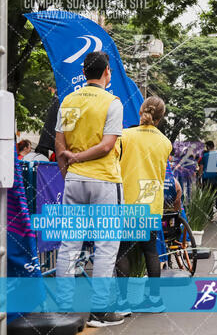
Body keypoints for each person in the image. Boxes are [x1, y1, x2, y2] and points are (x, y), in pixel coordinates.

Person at [54, 51, 125, 327]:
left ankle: (63, 308)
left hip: (74, 180)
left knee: (69, 244)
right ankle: (100, 311)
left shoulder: (68, 101)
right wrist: (80, 158)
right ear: (107, 71)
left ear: (85, 72)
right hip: (105, 180)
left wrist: (69, 168)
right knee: (106, 246)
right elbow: (108, 146)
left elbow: (60, 143)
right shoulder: (112, 102)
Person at [115, 96, 172, 314]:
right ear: (161, 117)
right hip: (151, 203)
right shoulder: (165, 142)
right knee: (150, 251)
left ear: (141, 112)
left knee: (122, 251)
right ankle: (155, 300)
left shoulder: (125, 136)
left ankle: (122, 303)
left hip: (127, 200)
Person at [199, 141, 217, 221]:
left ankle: (210, 216)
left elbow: (201, 168)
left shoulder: (205, 156)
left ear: (207, 147)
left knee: (208, 197)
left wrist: (200, 176)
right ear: (213, 146)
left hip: (207, 180)